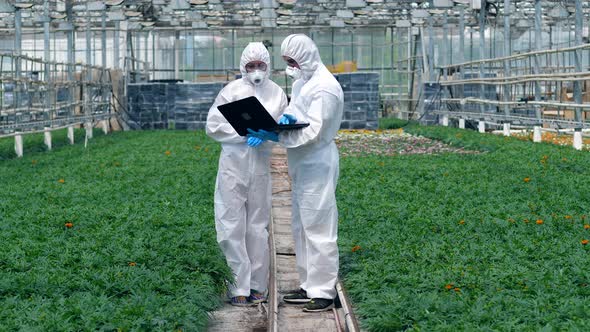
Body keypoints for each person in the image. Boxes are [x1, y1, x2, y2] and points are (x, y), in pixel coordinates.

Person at [248, 34, 344, 312]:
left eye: (293, 61)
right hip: (301, 163)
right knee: (301, 226)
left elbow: (314, 132)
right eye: (287, 62)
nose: (290, 67)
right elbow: (295, 111)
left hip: (317, 160)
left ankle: (325, 292)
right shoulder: (304, 82)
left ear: (307, 57)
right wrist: (283, 120)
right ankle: (309, 285)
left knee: (320, 226)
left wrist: (276, 136)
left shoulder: (325, 87)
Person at [206, 42, 288, 306]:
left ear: (268, 66)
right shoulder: (231, 91)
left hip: (261, 165)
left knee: (257, 226)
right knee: (230, 224)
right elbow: (213, 126)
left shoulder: (277, 93)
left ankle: (257, 285)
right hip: (233, 164)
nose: (256, 70)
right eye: (251, 66)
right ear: (243, 67)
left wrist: (269, 133)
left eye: (260, 65)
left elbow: (284, 129)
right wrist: (242, 133)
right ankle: (237, 286)